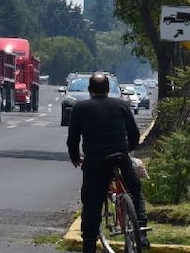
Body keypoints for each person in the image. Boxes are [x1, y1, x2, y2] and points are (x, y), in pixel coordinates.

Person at [67, 72, 148, 253]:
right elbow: (134, 134)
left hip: (95, 160)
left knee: (92, 202)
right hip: (120, 156)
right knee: (134, 189)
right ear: (108, 89)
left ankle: (89, 244)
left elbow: (73, 138)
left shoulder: (81, 107)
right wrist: (127, 151)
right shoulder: (122, 105)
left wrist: (75, 156)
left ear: (90, 89)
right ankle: (141, 231)